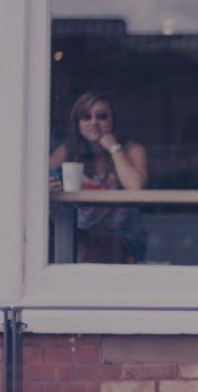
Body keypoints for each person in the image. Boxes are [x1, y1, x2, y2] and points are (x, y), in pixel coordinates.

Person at [49, 91, 149, 263]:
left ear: (113, 120)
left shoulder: (131, 149)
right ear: (77, 123)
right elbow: (41, 172)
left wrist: (114, 148)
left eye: (101, 116)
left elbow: (135, 186)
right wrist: (49, 182)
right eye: (85, 117)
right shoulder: (69, 149)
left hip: (121, 238)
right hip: (79, 236)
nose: (93, 122)